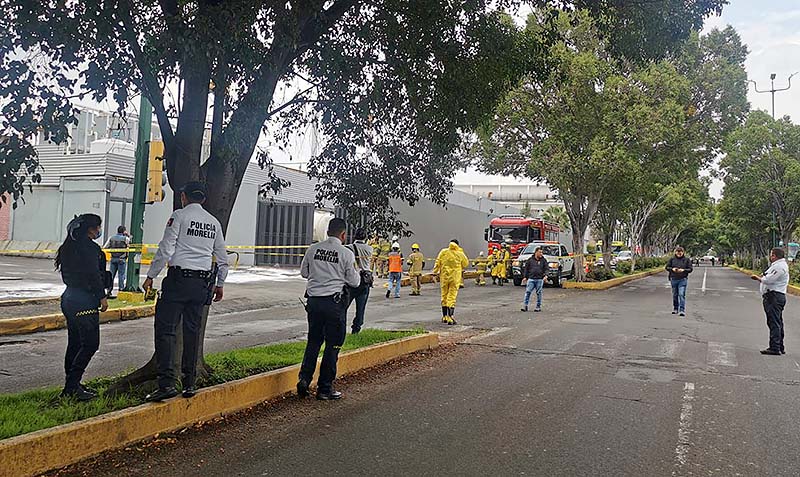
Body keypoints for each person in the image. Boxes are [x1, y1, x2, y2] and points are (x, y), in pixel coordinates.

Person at [142, 182, 229, 402]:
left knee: (166, 330)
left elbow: (166, 247)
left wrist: (151, 275)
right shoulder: (214, 223)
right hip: (201, 285)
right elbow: (222, 256)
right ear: (204, 200)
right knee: (192, 332)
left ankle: (167, 383)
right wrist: (220, 283)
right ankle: (189, 383)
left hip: (178, 281)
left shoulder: (179, 216)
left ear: (183, 197)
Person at [297, 218, 360, 400]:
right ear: (343, 234)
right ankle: (324, 388)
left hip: (314, 303)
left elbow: (304, 273)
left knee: (314, 342)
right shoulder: (345, 253)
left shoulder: (313, 249)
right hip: (334, 304)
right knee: (333, 345)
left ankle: (304, 380)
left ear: (327, 232)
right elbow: (354, 281)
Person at [54, 214, 109, 401]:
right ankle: (71, 387)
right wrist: (102, 297)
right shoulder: (90, 249)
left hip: (69, 298)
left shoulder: (67, 247)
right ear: (91, 229)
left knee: (75, 343)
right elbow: (93, 274)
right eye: (97, 227)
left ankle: (72, 383)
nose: (99, 231)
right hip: (85, 300)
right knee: (91, 344)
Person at [751, 248, 790, 355]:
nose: (770, 256)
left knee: (774, 322)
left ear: (775, 256)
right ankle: (779, 346)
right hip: (774, 296)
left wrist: (758, 278)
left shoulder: (779, 267)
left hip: (774, 297)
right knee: (777, 321)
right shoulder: (777, 265)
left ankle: (775, 347)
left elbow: (768, 280)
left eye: (771, 255)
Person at [433, 240, 468, 325]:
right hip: (455, 278)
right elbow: (465, 264)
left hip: (444, 277)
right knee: (452, 296)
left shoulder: (443, 252)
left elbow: (437, 262)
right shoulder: (460, 253)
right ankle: (450, 317)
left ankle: (444, 316)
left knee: (444, 295)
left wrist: (434, 273)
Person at [347, 228, 373, 335]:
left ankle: (338, 326)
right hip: (365, 281)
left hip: (352, 280)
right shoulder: (369, 248)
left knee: (343, 306)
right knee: (360, 308)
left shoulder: (348, 248)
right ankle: (356, 329)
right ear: (365, 237)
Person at [665, 246, 693, 317]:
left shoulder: (686, 260)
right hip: (673, 279)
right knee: (675, 295)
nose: (679, 253)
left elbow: (690, 269)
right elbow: (667, 267)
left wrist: (683, 270)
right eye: (677, 252)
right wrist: (673, 269)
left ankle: (682, 310)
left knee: (681, 294)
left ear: (683, 252)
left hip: (682, 279)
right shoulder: (672, 259)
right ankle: (675, 308)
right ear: (675, 252)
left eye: (680, 252)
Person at [103, 225, 130, 295]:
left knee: (111, 275)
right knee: (121, 275)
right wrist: (128, 236)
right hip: (122, 259)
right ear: (124, 231)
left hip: (113, 258)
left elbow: (105, 247)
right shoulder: (125, 238)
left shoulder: (111, 238)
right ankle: (121, 290)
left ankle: (109, 290)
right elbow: (130, 245)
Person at [521, 247, 548, 312]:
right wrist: (525, 277)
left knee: (539, 293)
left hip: (539, 279)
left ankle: (538, 306)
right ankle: (525, 306)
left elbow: (546, 268)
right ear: (536, 252)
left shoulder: (543, 260)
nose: (541, 254)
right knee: (528, 292)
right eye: (540, 252)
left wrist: (546, 275)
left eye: (542, 252)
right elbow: (526, 269)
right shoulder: (530, 260)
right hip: (531, 279)